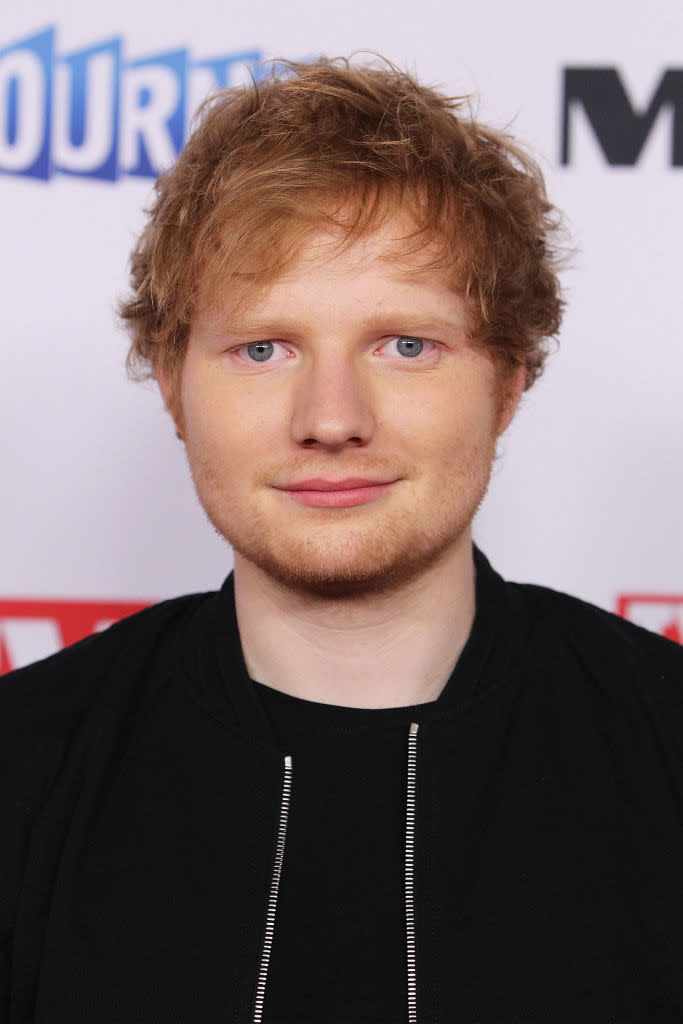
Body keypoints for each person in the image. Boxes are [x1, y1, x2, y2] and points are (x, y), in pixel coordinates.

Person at [1, 56, 682, 1024]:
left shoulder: (662, 746)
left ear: (508, 381)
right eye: (263, 348)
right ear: (170, 383)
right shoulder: (25, 763)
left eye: (404, 345)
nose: (330, 419)